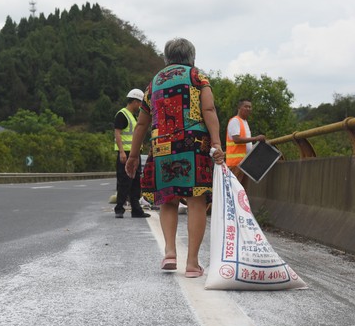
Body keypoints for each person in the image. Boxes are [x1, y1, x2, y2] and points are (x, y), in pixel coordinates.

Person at [125, 38, 224, 278]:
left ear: (167, 58)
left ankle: (170, 252)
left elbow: (141, 124)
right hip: (193, 146)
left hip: (162, 147)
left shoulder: (154, 84)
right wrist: (217, 143)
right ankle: (192, 263)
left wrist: (134, 155)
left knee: (167, 200)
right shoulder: (197, 77)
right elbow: (209, 110)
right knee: (196, 201)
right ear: (192, 57)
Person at [114, 89, 150, 219]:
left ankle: (136, 210)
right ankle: (119, 209)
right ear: (135, 101)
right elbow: (117, 133)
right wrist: (122, 152)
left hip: (135, 153)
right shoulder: (122, 114)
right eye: (140, 103)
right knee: (124, 181)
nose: (141, 106)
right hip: (126, 153)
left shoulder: (133, 116)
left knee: (135, 183)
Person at [225, 99, 266, 188]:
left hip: (244, 163)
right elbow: (236, 139)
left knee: (241, 191)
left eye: (250, 107)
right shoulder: (235, 121)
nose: (248, 109)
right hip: (236, 163)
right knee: (234, 190)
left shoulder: (244, 122)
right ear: (239, 108)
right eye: (246, 106)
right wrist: (256, 138)